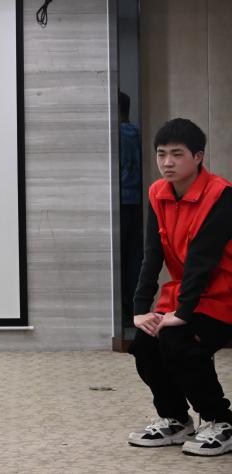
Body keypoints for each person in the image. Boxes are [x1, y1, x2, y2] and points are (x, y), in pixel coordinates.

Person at [127, 118, 232, 456]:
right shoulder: (158, 193)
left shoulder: (221, 195)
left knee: (177, 339)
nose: (167, 162)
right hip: (183, 293)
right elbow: (152, 254)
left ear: (198, 157)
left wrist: (183, 313)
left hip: (222, 296)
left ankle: (221, 420)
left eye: (177, 154)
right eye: (161, 154)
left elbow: (203, 260)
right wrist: (140, 310)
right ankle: (175, 418)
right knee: (145, 342)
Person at [118, 91, 143, 328]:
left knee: (120, 258)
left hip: (118, 203)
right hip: (137, 202)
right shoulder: (138, 133)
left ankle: (123, 311)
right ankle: (135, 309)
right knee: (135, 257)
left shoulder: (113, 135)